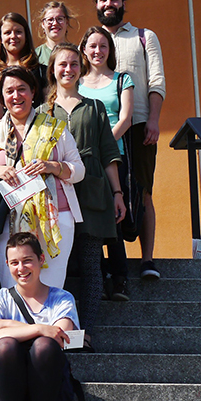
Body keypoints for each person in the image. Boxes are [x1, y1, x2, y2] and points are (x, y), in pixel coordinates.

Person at [0, 66, 84, 290]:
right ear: (2, 98)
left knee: (51, 287)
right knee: (13, 285)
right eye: (9, 91)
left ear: (33, 92)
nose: (16, 96)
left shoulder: (55, 128)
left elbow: (79, 171)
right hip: (7, 219)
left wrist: (52, 166)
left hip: (55, 219)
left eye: (22, 89)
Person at [43, 43, 125, 349]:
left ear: (81, 67)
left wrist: (117, 193)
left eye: (74, 64)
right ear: (52, 69)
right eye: (62, 64)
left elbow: (108, 153)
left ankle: (84, 332)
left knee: (91, 264)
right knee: (55, 265)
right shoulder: (42, 111)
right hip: (53, 195)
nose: (68, 69)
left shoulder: (94, 107)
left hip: (91, 191)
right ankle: (55, 330)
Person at [0, 232, 79, 401]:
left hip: (49, 393)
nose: (21, 268)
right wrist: (40, 328)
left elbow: (63, 338)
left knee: (45, 346)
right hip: (3, 394)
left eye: (27, 261)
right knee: (5, 346)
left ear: (41, 260)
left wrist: (6, 325)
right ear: (7, 264)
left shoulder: (62, 298)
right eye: (14, 263)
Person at [94, 0, 166, 280]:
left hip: (137, 125)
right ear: (96, 5)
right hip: (101, 130)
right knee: (103, 194)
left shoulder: (143, 36)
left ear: (123, 3)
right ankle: (108, 264)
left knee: (143, 190)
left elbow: (157, 81)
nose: (108, 4)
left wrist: (153, 119)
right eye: (102, 0)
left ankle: (147, 260)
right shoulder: (92, 41)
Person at [79, 26, 134, 301]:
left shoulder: (122, 79)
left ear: (110, 50)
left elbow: (125, 118)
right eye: (92, 46)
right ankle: (97, 278)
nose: (97, 51)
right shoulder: (76, 83)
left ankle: (120, 278)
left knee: (113, 217)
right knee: (91, 221)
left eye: (103, 46)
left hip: (113, 157)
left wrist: (103, 145)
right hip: (84, 162)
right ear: (84, 50)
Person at [0, 13, 46, 106]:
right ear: (0, 38)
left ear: (26, 36)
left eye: (18, 32)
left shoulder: (42, 72)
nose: (13, 36)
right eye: (7, 32)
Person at [35, 1, 77, 66]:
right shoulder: (35, 56)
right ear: (43, 24)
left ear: (67, 22)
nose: (55, 23)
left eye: (60, 19)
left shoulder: (77, 53)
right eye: (50, 20)